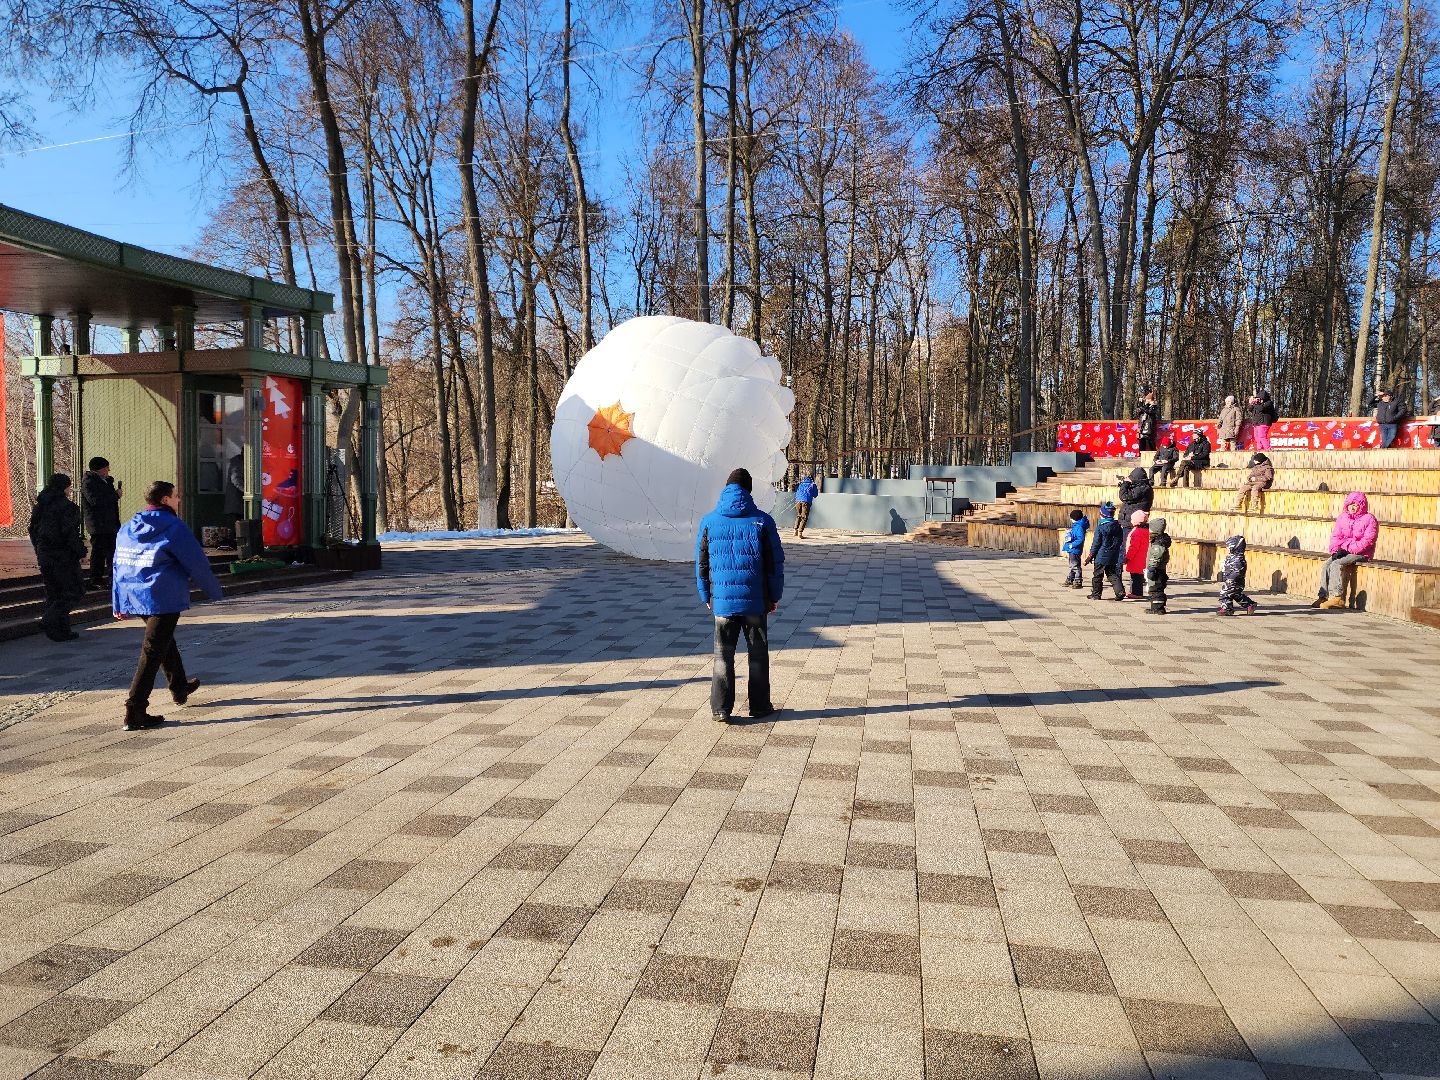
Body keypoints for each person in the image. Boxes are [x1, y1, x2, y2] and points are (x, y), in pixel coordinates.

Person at [113, 481, 225, 731]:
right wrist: (215, 591)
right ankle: (135, 709)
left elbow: (118, 564)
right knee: (153, 649)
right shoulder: (174, 526)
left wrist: (118, 600)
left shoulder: (128, 527)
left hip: (135, 594)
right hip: (163, 596)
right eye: (176, 496)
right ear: (165, 500)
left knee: (163, 641)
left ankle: (179, 686)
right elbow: (196, 561)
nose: (178, 500)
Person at [696, 468, 784, 723]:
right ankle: (759, 705)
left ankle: (721, 708)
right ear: (749, 490)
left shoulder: (709, 521)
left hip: (722, 602)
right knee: (757, 655)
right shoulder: (763, 521)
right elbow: (774, 564)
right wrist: (774, 596)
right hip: (756, 601)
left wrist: (706, 595)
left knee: (723, 655)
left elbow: (702, 563)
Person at [27, 473, 87, 642]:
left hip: (45, 553)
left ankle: (61, 631)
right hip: (63, 555)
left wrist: (39, 548)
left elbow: (32, 530)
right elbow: (70, 534)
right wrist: (80, 552)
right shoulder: (68, 508)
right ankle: (50, 620)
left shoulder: (40, 506)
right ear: (64, 487)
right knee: (73, 591)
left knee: (54, 593)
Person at [1316, 492, 1378, 610]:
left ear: (1362, 505)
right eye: (1350, 504)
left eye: (1355, 504)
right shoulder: (1342, 517)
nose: (1352, 507)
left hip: (1362, 553)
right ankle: (1323, 596)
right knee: (1327, 564)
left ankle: (1337, 598)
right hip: (1344, 551)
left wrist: (1347, 549)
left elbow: (1368, 541)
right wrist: (1336, 550)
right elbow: (1336, 536)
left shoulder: (1369, 519)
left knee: (1336, 564)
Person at [81, 456, 122, 589]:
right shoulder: (89, 482)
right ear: (99, 469)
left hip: (109, 523)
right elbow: (96, 501)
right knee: (98, 552)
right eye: (106, 468)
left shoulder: (106, 481)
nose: (108, 470)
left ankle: (112, 577)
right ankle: (95, 579)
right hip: (98, 524)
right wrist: (115, 496)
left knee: (112, 551)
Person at [1084, 501, 1125, 601]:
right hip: (1113, 555)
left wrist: (1090, 556)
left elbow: (1096, 544)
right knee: (1112, 574)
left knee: (1097, 575)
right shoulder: (1118, 527)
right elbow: (1120, 541)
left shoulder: (1101, 527)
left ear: (1102, 514)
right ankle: (1120, 591)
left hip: (1101, 556)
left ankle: (1096, 594)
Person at [1217, 535, 1258, 616]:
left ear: (1234, 547)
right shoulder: (1231, 556)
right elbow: (1227, 566)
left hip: (1235, 581)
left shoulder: (1239, 558)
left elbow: (1238, 571)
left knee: (1225, 593)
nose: (1227, 548)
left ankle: (1227, 608)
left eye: (1229, 546)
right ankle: (1250, 604)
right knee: (1236, 595)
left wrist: (1231, 578)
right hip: (1229, 579)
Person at [1117, 466, 1154, 550]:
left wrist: (1125, 484)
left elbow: (1124, 497)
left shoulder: (1144, 488)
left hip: (1132, 523)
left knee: (1126, 547)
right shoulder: (1141, 487)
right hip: (1129, 521)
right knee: (1123, 546)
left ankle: (1123, 563)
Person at [1145, 517, 1171, 615]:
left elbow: (1155, 557)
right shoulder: (1158, 541)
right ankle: (1157, 606)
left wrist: (1151, 568)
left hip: (1156, 570)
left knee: (1155, 589)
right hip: (1159, 569)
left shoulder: (1158, 544)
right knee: (1156, 588)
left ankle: (1157, 608)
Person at [1124, 510, 1150, 599]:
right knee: (1138, 576)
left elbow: (1133, 547)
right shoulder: (1147, 531)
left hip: (1136, 558)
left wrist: (1127, 557)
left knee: (1135, 577)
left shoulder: (1136, 532)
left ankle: (1136, 593)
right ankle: (1135, 592)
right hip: (1143, 557)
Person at [1060, 508, 1089, 588]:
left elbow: (1080, 538)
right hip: (1073, 549)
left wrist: (1072, 545)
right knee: (1072, 565)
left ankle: (1078, 580)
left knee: (1075, 565)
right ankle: (1070, 579)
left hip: (1074, 549)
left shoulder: (1079, 527)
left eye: (1071, 518)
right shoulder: (1077, 525)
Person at [793, 474, 819, 539]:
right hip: (806, 502)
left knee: (798, 515)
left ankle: (795, 531)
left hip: (797, 501)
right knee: (804, 517)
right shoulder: (812, 484)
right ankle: (800, 533)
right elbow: (815, 495)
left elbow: (797, 491)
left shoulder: (801, 484)